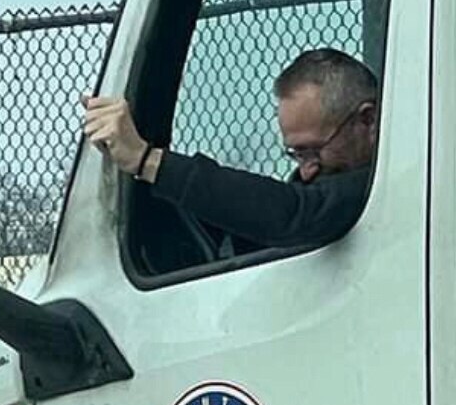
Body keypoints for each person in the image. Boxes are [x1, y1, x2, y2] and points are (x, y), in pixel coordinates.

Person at [81, 46, 378, 256]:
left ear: (367, 120)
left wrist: (146, 160)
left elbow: (294, 213)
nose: (306, 169)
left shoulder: (387, 182)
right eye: (297, 154)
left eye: (313, 150)